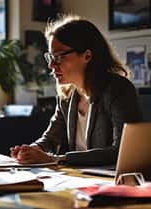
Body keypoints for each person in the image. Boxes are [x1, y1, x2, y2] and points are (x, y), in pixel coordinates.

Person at [10, 15, 142, 166]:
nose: (52, 65)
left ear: (87, 55)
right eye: (50, 57)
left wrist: (56, 159)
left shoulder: (118, 90)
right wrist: (31, 150)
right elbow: (51, 138)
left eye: (59, 57)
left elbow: (122, 151)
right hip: (79, 179)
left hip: (110, 180)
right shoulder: (67, 94)